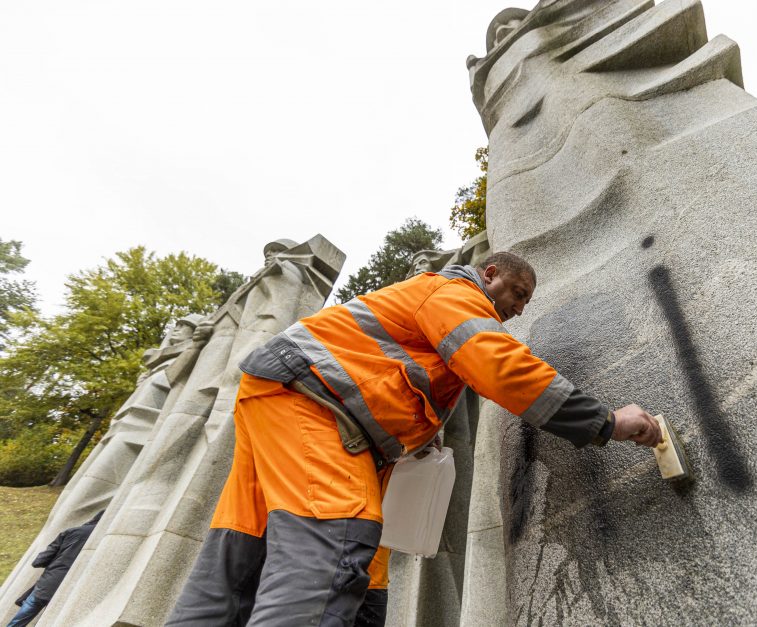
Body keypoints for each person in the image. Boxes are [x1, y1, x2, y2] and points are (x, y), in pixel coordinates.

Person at [167, 252, 662, 626]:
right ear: (488, 274)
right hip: (315, 404)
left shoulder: (430, 312)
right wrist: (606, 422)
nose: (517, 306)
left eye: (526, 301)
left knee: (242, 557)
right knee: (333, 548)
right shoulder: (453, 295)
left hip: (291, 401)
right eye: (516, 291)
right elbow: (501, 367)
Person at [7, 512, 103, 627]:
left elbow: (42, 559)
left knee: (21, 619)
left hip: (49, 583)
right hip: (77, 587)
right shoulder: (104, 537)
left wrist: (40, 561)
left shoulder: (73, 532)